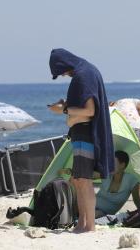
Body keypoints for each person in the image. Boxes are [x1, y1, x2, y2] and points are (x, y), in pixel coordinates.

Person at [48, 48, 114, 233]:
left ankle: (89, 226)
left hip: (86, 134)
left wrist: (63, 110)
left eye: (61, 72)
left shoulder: (83, 75)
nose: (63, 75)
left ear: (64, 64)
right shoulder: (86, 70)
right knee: (79, 180)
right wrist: (67, 108)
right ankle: (82, 223)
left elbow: (90, 111)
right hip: (83, 134)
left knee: (84, 181)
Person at [95, 151, 140, 218]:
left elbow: (137, 201)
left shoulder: (131, 180)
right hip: (89, 205)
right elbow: (87, 175)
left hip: (103, 213)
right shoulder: (106, 174)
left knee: (96, 214)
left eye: (113, 163)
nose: (110, 165)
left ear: (122, 165)